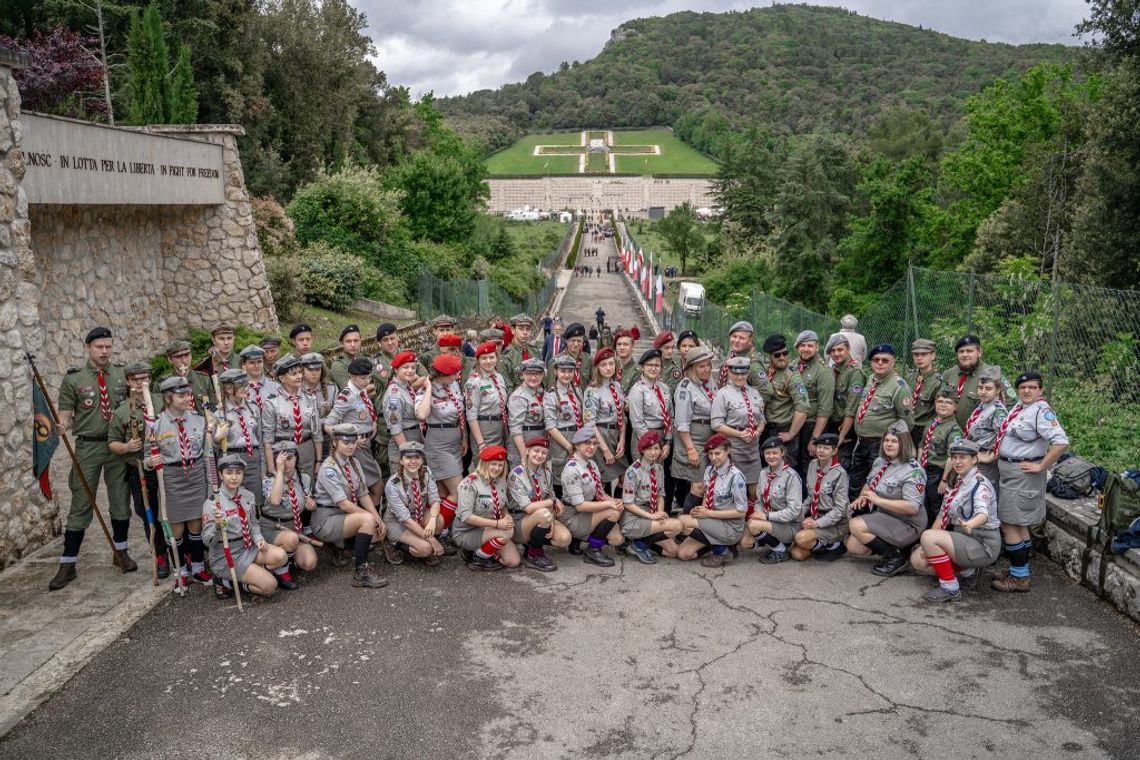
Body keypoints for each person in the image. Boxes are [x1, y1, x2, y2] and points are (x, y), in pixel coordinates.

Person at [50, 326, 131, 590]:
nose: (105, 351)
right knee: (82, 503)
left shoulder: (120, 374)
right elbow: (65, 414)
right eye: (99, 347)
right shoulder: (74, 379)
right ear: (88, 347)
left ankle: (121, 552)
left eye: (108, 346)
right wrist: (61, 425)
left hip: (118, 447)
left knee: (120, 501)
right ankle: (68, 563)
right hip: (89, 448)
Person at [992, 370, 1069, 593]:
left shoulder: (1041, 411)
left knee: (1008, 522)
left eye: (1032, 387)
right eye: (1023, 387)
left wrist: (1041, 465)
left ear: (1041, 390)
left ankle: (1020, 578)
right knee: (1019, 523)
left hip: (1023, 475)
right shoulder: (1020, 408)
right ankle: (1018, 571)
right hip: (1011, 472)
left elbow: (1061, 441)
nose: (1027, 390)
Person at [910, 439, 1001, 602]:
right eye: (954, 457)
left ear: (974, 459)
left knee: (928, 538)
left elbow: (983, 513)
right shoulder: (956, 481)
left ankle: (950, 588)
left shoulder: (980, 486)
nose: (957, 462)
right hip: (965, 539)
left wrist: (971, 523)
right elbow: (942, 515)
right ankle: (968, 571)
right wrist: (927, 543)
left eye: (963, 457)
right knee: (918, 560)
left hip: (983, 543)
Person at [146, 376, 212, 587]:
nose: (186, 398)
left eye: (188, 394)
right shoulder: (156, 424)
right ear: (168, 398)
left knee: (196, 525)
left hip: (195, 474)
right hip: (172, 478)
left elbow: (206, 452)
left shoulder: (198, 419)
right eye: (181, 395)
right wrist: (150, 460)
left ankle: (199, 567)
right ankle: (181, 571)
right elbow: (146, 457)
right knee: (176, 530)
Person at [107, 362, 168, 578]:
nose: (140, 383)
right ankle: (160, 554)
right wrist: (126, 447)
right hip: (140, 469)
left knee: (171, 510)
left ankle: (183, 552)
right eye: (135, 379)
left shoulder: (163, 402)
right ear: (128, 382)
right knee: (147, 512)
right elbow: (112, 442)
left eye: (144, 378)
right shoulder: (123, 411)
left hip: (167, 466)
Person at [844, 420, 925, 577]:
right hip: (884, 516)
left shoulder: (913, 471)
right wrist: (863, 497)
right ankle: (893, 547)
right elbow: (869, 483)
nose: (889, 444)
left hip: (907, 522)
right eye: (886, 440)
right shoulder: (880, 462)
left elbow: (912, 507)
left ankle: (896, 557)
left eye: (894, 441)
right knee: (855, 547)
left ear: (904, 444)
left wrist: (878, 500)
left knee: (855, 525)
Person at [202, 454, 289, 600]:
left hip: (248, 547)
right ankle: (225, 582)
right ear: (220, 475)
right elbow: (206, 541)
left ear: (243, 474)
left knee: (281, 556)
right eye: (229, 473)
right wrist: (217, 526)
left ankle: (251, 574)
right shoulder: (212, 503)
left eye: (238, 472)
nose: (234, 477)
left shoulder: (248, 496)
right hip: (227, 554)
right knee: (270, 586)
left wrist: (258, 538)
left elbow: (253, 522)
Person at [311, 423, 388, 587]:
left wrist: (377, 517)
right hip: (326, 519)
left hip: (343, 516)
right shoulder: (329, 468)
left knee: (372, 524)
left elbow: (363, 494)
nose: (350, 446)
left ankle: (342, 546)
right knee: (367, 522)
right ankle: (361, 572)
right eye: (345, 442)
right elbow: (345, 504)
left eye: (353, 442)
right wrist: (370, 519)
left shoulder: (354, 463)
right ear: (334, 443)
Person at [848, 344, 914, 499]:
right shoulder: (871, 379)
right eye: (876, 360)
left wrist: (892, 444)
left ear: (893, 363)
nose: (880, 363)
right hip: (862, 441)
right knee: (856, 480)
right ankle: (854, 514)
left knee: (876, 483)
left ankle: (871, 518)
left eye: (885, 360)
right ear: (870, 363)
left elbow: (907, 422)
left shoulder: (899, 387)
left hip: (881, 444)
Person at [677, 434, 747, 568]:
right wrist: (701, 510)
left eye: (717, 453)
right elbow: (707, 495)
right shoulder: (709, 470)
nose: (713, 458)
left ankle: (722, 550)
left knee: (682, 521)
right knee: (683, 554)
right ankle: (720, 546)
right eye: (710, 454)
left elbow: (741, 512)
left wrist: (708, 514)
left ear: (728, 450)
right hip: (713, 521)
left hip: (729, 527)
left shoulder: (736, 477)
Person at [559, 428, 625, 566]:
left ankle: (580, 539)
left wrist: (614, 501)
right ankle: (593, 550)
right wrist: (610, 505)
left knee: (617, 539)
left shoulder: (592, 464)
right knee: (613, 512)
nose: (592, 447)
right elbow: (580, 505)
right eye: (587, 443)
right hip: (572, 516)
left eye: (595, 443)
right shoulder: (572, 469)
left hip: (587, 512)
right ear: (576, 445)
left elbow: (600, 494)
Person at [323, 357, 385, 505]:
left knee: (367, 489)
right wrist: (350, 439)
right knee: (377, 487)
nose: (367, 381)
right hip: (357, 448)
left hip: (368, 444)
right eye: (363, 378)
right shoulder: (346, 396)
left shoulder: (361, 392)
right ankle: (373, 521)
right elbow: (328, 425)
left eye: (369, 377)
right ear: (351, 376)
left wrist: (373, 426)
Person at [418, 354, 467, 533]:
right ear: (440, 374)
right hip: (438, 444)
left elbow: (460, 413)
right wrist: (429, 389)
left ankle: (441, 530)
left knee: (444, 493)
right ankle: (439, 528)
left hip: (454, 439)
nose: (456, 377)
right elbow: (422, 415)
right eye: (452, 374)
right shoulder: (425, 389)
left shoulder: (452, 384)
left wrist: (464, 437)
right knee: (459, 491)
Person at [507, 436, 572, 571]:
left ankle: (532, 542)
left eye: (544, 452)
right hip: (519, 521)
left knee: (564, 539)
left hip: (542, 516)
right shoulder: (516, 475)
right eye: (536, 451)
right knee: (543, 513)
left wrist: (552, 520)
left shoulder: (545, 471)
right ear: (527, 451)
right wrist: (552, 503)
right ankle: (534, 556)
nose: (540, 455)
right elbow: (528, 508)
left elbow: (550, 496)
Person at [452, 445, 521, 571]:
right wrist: (497, 523)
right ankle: (479, 558)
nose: (497, 468)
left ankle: (477, 551)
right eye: (493, 464)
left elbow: (502, 505)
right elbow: (466, 517)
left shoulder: (500, 480)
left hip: (488, 528)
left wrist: (507, 516)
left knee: (513, 561)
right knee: (507, 532)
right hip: (466, 531)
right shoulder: (469, 484)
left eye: (500, 465)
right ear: (484, 463)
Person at [712, 356, 766, 512]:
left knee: (755, 490)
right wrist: (739, 434)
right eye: (736, 373)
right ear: (729, 372)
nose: (740, 377)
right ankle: (735, 521)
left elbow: (762, 419)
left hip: (753, 447)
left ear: (748, 373)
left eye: (743, 373)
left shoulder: (754, 393)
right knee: (735, 487)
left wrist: (757, 432)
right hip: (734, 447)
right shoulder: (722, 394)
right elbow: (716, 424)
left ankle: (751, 521)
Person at [620, 432, 683, 564]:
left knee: (672, 551)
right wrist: (652, 517)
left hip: (650, 513)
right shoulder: (633, 472)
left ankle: (642, 542)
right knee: (676, 525)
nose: (653, 452)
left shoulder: (658, 469)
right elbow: (627, 503)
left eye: (656, 448)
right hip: (634, 518)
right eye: (649, 449)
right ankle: (639, 545)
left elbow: (660, 494)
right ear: (642, 450)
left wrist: (659, 513)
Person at [261, 440, 317, 586]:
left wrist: (311, 506)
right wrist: (278, 472)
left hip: (294, 528)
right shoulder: (269, 479)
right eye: (281, 459)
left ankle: (284, 560)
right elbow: (274, 500)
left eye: (290, 458)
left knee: (309, 563)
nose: (286, 463)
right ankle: (281, 572)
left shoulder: (304, 479)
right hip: (273, 527)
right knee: (291, 539)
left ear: (297, 458)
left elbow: (303, 504)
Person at [382, 441, 445, 565]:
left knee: (439, 520)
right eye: (408, 457)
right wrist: (432, 541)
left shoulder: (426, 473)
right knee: (425, 548)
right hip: (398, 522)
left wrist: (432, 520)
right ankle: (393, 545)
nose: (413, 461)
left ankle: (427, 545)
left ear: (422, 460)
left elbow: (435, 500)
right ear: (401, 460)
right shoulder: (393, 485)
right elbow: (405, 519)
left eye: (417, 457)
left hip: (418, 514)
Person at [743, 437, 804, 564]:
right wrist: (758, 514)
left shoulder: (791, 476)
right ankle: (776, 543)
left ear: (782, 453)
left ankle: (781, 550)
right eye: (767, 453)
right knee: (745, 543)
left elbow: (794, 511)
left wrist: (766, 516)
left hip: (789, 525)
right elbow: (759, 501)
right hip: (771, 521)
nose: (771, 456)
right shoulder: (763, 473)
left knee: (753, 525)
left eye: (775, 453)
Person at [262, 355, 323, 482]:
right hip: (283, 451)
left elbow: (317, 433)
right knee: (286, 491)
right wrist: (272, 469)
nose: (299, 376)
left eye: (300, 372)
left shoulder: (310, 398)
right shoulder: (272, 403)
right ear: (282, 378)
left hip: (306, 449)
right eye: (294, 374)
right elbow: (267, 440)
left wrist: (318, 461)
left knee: (308, 487)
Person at [791, 434, 849, 561]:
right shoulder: (813, 465)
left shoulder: (840, 474)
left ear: (834, 451)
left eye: (826, 448)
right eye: (819, 447)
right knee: (797, 554)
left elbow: (840, 509)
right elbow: (812, 496)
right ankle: (820, 544)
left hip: (834, 523)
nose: (821, 451)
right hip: (815, 516)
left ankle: (834, 545)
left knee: (801, 538)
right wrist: (799, 512)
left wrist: (817, 524)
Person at [672, 347, 716, 514]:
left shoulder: (709, 383)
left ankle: (696, 522)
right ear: (691, 368)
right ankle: (685, 523)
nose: (707, 369)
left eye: (708, 365)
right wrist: (690, 450)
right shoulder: (685, 387)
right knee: (698, 485)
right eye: (701, 366)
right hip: (693, 441)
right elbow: (682, 423)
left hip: (708, 440)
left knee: (705, 484)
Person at [759, 334, 810, 471]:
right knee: (767, 469)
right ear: (769, 356)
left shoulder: (792, 376)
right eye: (777, 355)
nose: (782, 357)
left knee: (786, 470)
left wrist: (791, 434)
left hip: (783, 430)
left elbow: (803, 407)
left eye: (785, 353)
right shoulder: (765, 371)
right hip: (766, 428)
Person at [216, 369, 265, 505]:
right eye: (241, 385)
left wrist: (263, 468)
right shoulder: (219, 413)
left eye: (246, 384)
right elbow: (211, 449)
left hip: (253, 460)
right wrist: (217, 438)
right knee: (233, 502)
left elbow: (260, 439)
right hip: (231, 462)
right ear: (228, 388)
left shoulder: (253, 408)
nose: (246, 388)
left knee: (256, 502)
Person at [918, 389, 964, 527]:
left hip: (939, 473)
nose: (943, 405)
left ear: (955, 407)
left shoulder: (954, 430)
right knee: (922, 504)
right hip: (925, 470)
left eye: (948, 402)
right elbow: (922, 445)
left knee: (936, 507)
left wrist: (945, 480)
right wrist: (919, 467)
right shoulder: (932, 423)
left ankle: (935, 537)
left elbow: (953, 457)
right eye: (940, 401)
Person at [584, 347, 628, 489]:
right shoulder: (592, 391)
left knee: (624, 476)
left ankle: (620, 507)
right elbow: (590, 423)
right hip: (601, 436)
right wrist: (605, 450)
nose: (608, 368)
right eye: (603, 365)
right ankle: (605, 508)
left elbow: (621, 415)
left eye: (611, 363)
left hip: (616, 435)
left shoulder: (617, 386)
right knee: (602, 478)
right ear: (597, 368)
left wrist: (622, 439)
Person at [793, 330, 835, 478]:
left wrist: (814, 439)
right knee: (792, 464)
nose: (806, 349)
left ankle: (809, 499)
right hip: (793, 424)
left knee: (808, 467)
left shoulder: (823, 371)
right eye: (802, 345)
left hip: (810, 426)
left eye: (810, 345)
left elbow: (825, 408)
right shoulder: (793, 366)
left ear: (817, 347)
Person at [544, 355, 585, 497]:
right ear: (555, 372)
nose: (566, 375)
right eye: (562, 371)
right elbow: (550, 426)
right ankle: (560, 509)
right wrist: (568, 446)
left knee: (577, 475)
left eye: (570, 371)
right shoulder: (550, 395)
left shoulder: (578, 392)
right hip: (561, 441)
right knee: (560, 478)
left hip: (578, 439)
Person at [951, 335, 1013, 429]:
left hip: (979, 438)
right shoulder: (949, 374)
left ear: (979, 352)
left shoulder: (992, 375)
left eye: (969, 351)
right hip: (951, 435)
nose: (964, 355)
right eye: (961, 351)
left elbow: (1012, 404)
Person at [962, 367, 1007, 493]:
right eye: (980, 388)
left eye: (988, 389)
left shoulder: (998, 411)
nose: (983, 392)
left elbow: (1003, 437)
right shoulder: (982, 406)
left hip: (985, 462)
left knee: (982, 494)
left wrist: (992, 457)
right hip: (974, 457)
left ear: (997, 390)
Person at [383, 351, 427, 474]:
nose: (410, 370)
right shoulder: (394, 394)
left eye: (413, 367)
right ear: (396, 370)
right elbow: (396, 429)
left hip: (415, 440)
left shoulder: (406, 387)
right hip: (404, 443)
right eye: (405, 367)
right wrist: (409, 455)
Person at [465, 342, 510, 459]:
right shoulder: (474, 382)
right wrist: (481, 443)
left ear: (496, 358)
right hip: (484, 430)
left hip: (501, 428)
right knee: (486, 466)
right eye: (484, 358)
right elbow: (471, 415)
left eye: (491, 357)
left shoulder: (499, 377)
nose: (488, 361)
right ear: (478, 360)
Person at [826, 334, 862, 470]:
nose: (836, 354)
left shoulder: (854, 372)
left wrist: (842, 435)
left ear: (848, 350)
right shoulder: (834, 370)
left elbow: (851, 407)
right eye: (833, 351)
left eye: (840, 350)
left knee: (840, 465)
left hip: (846, 427)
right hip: (833, 423)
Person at [907, 338, 946, 449]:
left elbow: (941, 411)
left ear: (932, 356)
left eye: (924, 354)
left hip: (924, 429)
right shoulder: (910, 378)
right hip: (907, 427)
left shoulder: (938, 382)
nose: (919, 358)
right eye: (916, 355)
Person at [507, 358, 547, 466]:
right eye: (529, 374)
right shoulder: (518, 396)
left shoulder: (541, 393)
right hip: (524, 446)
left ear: (543, 375)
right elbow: (515, 429)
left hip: (538, 446)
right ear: (523, 375)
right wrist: (524, 454)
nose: (534, 377)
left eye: (538, 374)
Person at [159, 340, 211, 413]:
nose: (184, 360)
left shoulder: (204, 379)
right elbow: (160, 411)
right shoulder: (163, 384)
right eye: (178, 357)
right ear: (170, 360)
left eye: (187, 355)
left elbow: (214, 406)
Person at [716, 321, 769, 391]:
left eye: (742, 338)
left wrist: (746, 400)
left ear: (750, 341)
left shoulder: (752, 363)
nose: (736, 340)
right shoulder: (732, 354)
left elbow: (767, 390)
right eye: (734, 336)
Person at [240, 344, 279, 418]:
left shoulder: (275, 386)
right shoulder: (239, 389)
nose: (257, 366)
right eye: (252, 363)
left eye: (259, 362)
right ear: (244, 364)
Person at [547, 322, 588, 389]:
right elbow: (551, 387)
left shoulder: (588, 359)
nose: (576, 344)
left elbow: (592, 382)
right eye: (572, 340)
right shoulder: (555, 361)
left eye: (579, 341)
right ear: (566, 341)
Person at [301, 352, 336, 418]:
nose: (314, 373)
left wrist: (329, 411)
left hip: (326, 426)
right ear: (302, 371)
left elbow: (338, 415)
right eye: (310, 370)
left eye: (317, 369)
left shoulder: (331, 388)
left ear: (322, 370)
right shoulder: (296, 389)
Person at [329, 324, 364, 390]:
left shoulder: (367, 358)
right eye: (348, 341)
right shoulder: (338, 364)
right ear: (342, 344)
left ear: (361, 341)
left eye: (356, 341)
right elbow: (350, 390)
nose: (353, 345)